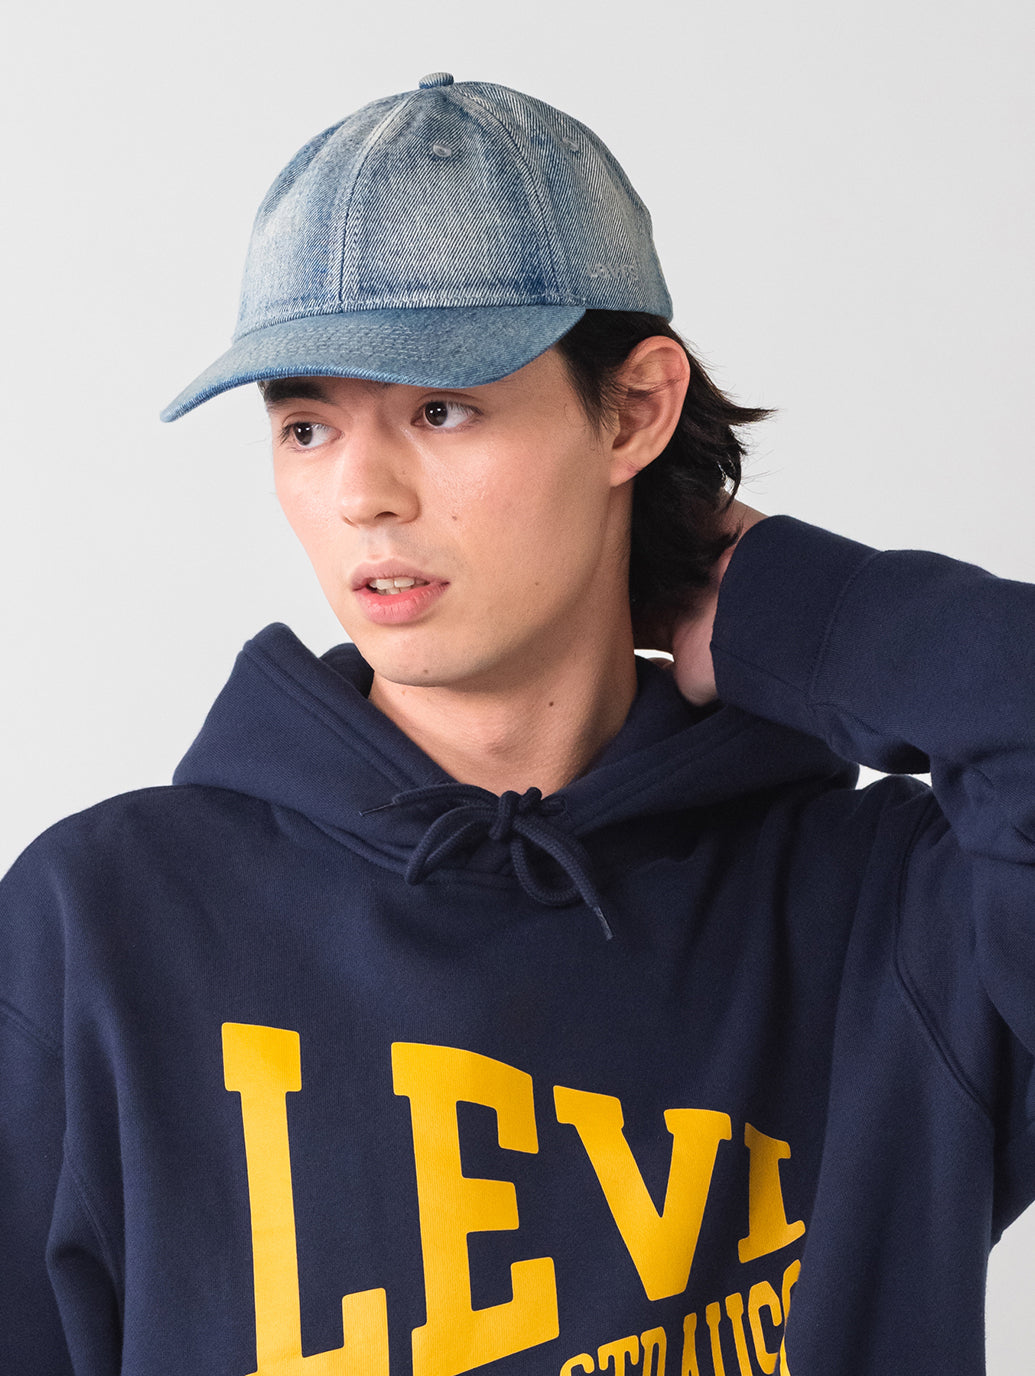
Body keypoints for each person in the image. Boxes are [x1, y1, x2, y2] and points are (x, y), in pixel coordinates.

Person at [1, 71, 1032, 1376]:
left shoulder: (884, 915)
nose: (363, 494)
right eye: (307, 426)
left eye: (441, 409)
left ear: (635, 409)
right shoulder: (105, 928)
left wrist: (807, 614)